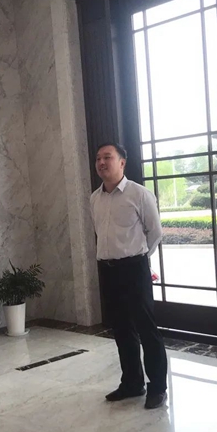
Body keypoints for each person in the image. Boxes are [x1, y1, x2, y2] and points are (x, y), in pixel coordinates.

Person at [90, 143, 168, 409]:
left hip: (134, 268)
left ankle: (157, 387)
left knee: (146, 329)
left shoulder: (139, 194)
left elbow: (155, 233)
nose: (101, 162)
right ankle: (132, 383)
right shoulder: (95, 198)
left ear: (122, 162)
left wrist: (139, 257)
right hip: (107, 269)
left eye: (107, 157)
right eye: (98, 158)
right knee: (121, 328)